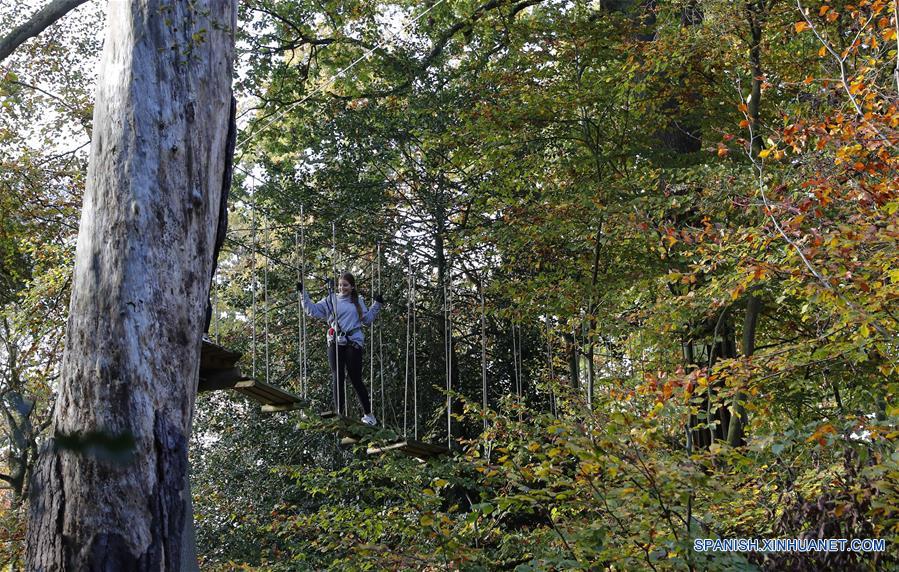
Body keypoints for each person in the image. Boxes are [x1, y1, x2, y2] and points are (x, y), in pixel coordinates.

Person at [300, 272, 383, 425]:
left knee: (355, 378)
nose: (342, 288)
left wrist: (377, 305)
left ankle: (369, 415)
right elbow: (311, 310)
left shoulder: (358, 301)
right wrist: (302, 293)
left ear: (352, 287)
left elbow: (368, 320)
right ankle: (340, 412)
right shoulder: (331, 300)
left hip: (353, 342)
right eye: (340, 285)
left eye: (345, 285)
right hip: (335, 341)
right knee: (337, 375)